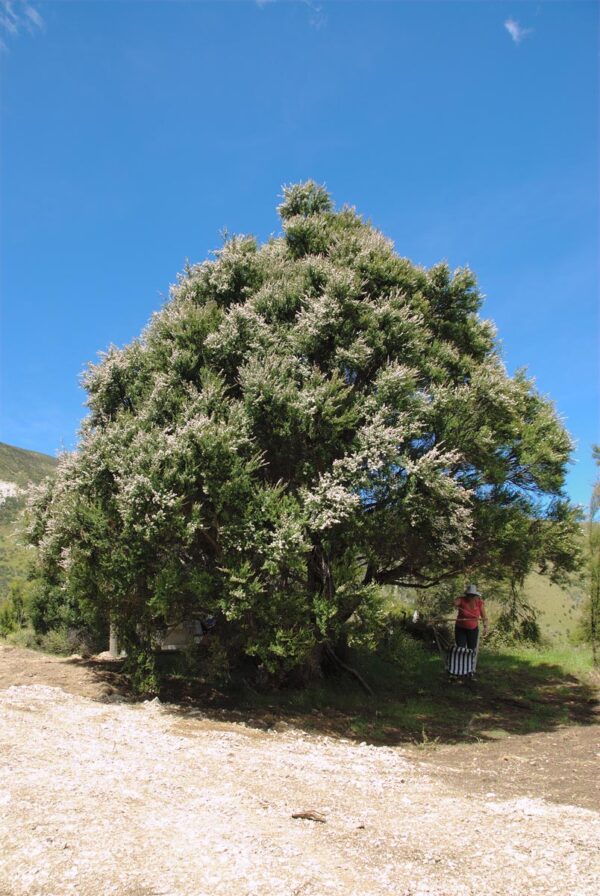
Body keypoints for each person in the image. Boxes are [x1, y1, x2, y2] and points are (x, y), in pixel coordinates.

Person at [453, 584, 488, 652]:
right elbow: (456, 602)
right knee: (460, 649)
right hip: (460, 628)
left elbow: (484, 617)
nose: (470, 597)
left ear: (475, 595)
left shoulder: (479, 603)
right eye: (469, 595)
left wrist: (485, 627)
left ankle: (470, 662)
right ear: (467, 595)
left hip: (473, 629)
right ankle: (461, 662)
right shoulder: (462, 599)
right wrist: (455, 602)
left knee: (471, 649)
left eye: (472, 595)